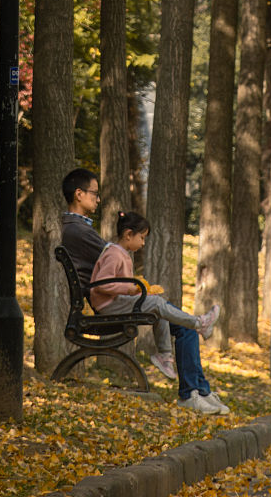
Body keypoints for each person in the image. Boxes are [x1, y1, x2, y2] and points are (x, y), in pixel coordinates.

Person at [60, 171, 228, 414]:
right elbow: (111, 260)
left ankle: (197, 390)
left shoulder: (81, 229)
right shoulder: (79, 231)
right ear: (79, 194)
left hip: (117, 298)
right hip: (110, 304)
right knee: (175, 318)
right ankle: (192, 389)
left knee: (182, 325)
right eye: (95, 194)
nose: (98, 199)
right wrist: (134, 286)